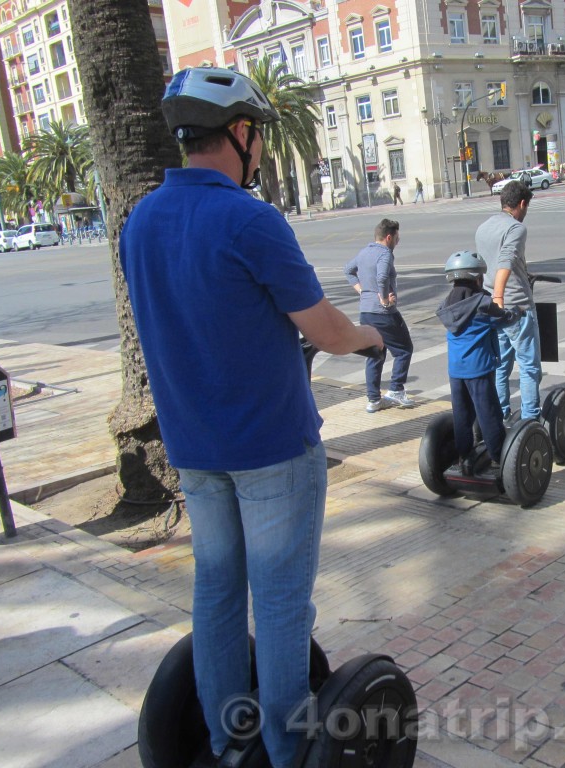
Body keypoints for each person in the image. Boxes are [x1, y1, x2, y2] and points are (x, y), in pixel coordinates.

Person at [119, 68, 383, 768]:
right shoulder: (249, 217)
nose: (261, 149)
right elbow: (324, 330)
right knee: (281, 604)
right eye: (258, 135)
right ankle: (287, 747)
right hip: (271, 449)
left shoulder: (140, 220)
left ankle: (224, 738)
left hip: (195, 450)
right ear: (239, 133)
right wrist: (368, 336)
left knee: (216, 597)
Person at [437, 251, 521, 474]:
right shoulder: (483, 304)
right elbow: (505, 319)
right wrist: (518, 312)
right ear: (476, 278)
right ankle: (498, 458)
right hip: (479, 369)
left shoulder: (446, 305)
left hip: (456, 370)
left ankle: (465, 455)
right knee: (489, 414)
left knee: (462, 415)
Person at [475, 179, 542, 422]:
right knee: (528, 366)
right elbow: (504, 261)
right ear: (521, 204)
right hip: (516, 308)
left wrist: (495, 300)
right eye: (526, 208)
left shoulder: (483, 228)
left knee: (501, 366)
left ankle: (501, 415)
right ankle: (530, 420)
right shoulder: (516, 228)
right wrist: (500, 296)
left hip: (493, 310)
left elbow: (488, 265)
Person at [344, 219, 414, 412]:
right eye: (397, 237)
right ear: (389, 237)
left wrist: (363, 291)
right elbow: (382, 277)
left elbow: (348, 270)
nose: (398, 242)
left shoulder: (364, 252)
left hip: (366, 312)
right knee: (404, 350)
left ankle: (374, 400)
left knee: (376, 354)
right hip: (384, 313)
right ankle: (396, 390)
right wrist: (383, 299)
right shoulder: (385, 254)